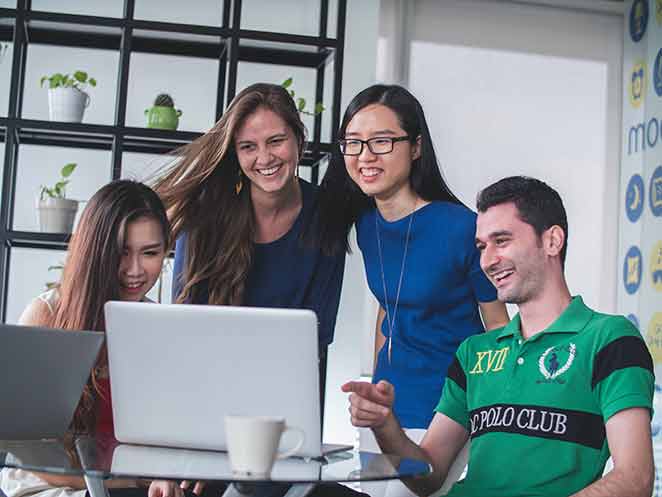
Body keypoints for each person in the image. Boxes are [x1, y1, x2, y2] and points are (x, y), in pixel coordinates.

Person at [343, 176, 655, 497]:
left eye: (501, 241)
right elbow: (428, 476)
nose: (487, 260)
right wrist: (385, 426)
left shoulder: (609, 338)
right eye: (481, 246)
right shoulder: (474, 352)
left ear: (552, 241)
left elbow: (635, 478)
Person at [318, 84, 508, 435]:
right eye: (354, 142)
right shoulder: (367, 222)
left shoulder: (461, 227)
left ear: (416, 147)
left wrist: (494, 409)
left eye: (382, 141)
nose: (365, 156)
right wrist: (376, 386)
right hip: (386, 412)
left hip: (452, 411)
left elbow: (498, 325)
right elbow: (389, 305)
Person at [154, 83, 345, 411]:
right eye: (248, 147)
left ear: (299, 140)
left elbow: (316, 338)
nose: (264, 158)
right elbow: (184, 326)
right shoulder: (205, 216)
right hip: (204, 393)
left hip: (288, 398)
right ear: (235, 153)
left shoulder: (327, 213)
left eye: (276, 141)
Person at [0, 180, 185, 497]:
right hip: (48, 488)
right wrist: (134, 482)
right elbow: (33, 459)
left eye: (150, 253)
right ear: (94, 251)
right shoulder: (47, 316)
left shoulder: (157, 326)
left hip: (122, 486)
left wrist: (161, 476)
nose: (135, 270)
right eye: (120, 253)